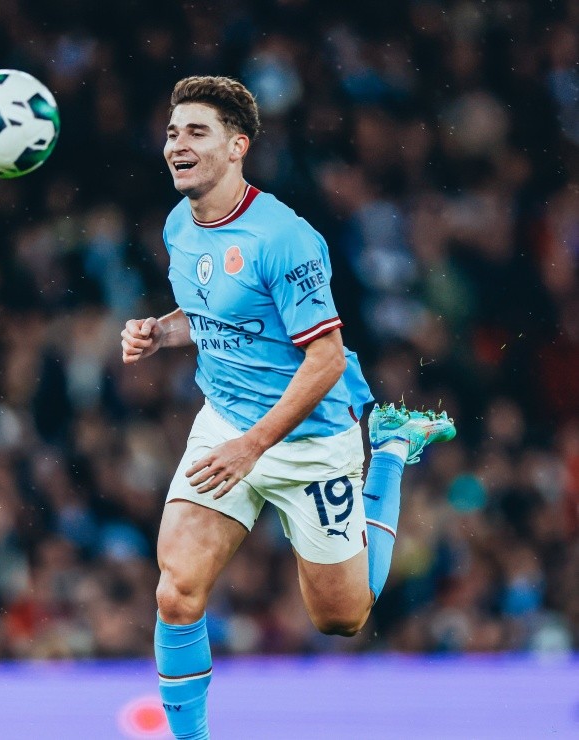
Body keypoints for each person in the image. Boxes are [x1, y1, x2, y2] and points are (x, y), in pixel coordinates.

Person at [120, 76, 456, 740]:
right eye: (172, 132)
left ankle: (389, 451)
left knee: (341, 618)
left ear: (237, 146)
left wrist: (254, 447)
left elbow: (324, 359)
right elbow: (213, 312)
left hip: (310, 440)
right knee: (176, 591)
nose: (177, 145)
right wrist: (162, 331)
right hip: (225, 423)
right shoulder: (178, 225)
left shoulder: (285, 238)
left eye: (196, 132)